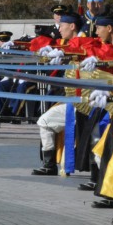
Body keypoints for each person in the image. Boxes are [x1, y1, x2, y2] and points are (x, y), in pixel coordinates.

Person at [32, 12, 83, 176]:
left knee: (45, 121)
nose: (59, 29)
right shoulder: (72, 43)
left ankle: (50, 164)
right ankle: (49, 163)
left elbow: (80, 51)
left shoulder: (84, 43)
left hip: (84, 101)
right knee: (45, 121)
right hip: (71, 98)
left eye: (62, 25)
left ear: (72, 26)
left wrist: (64, 53)